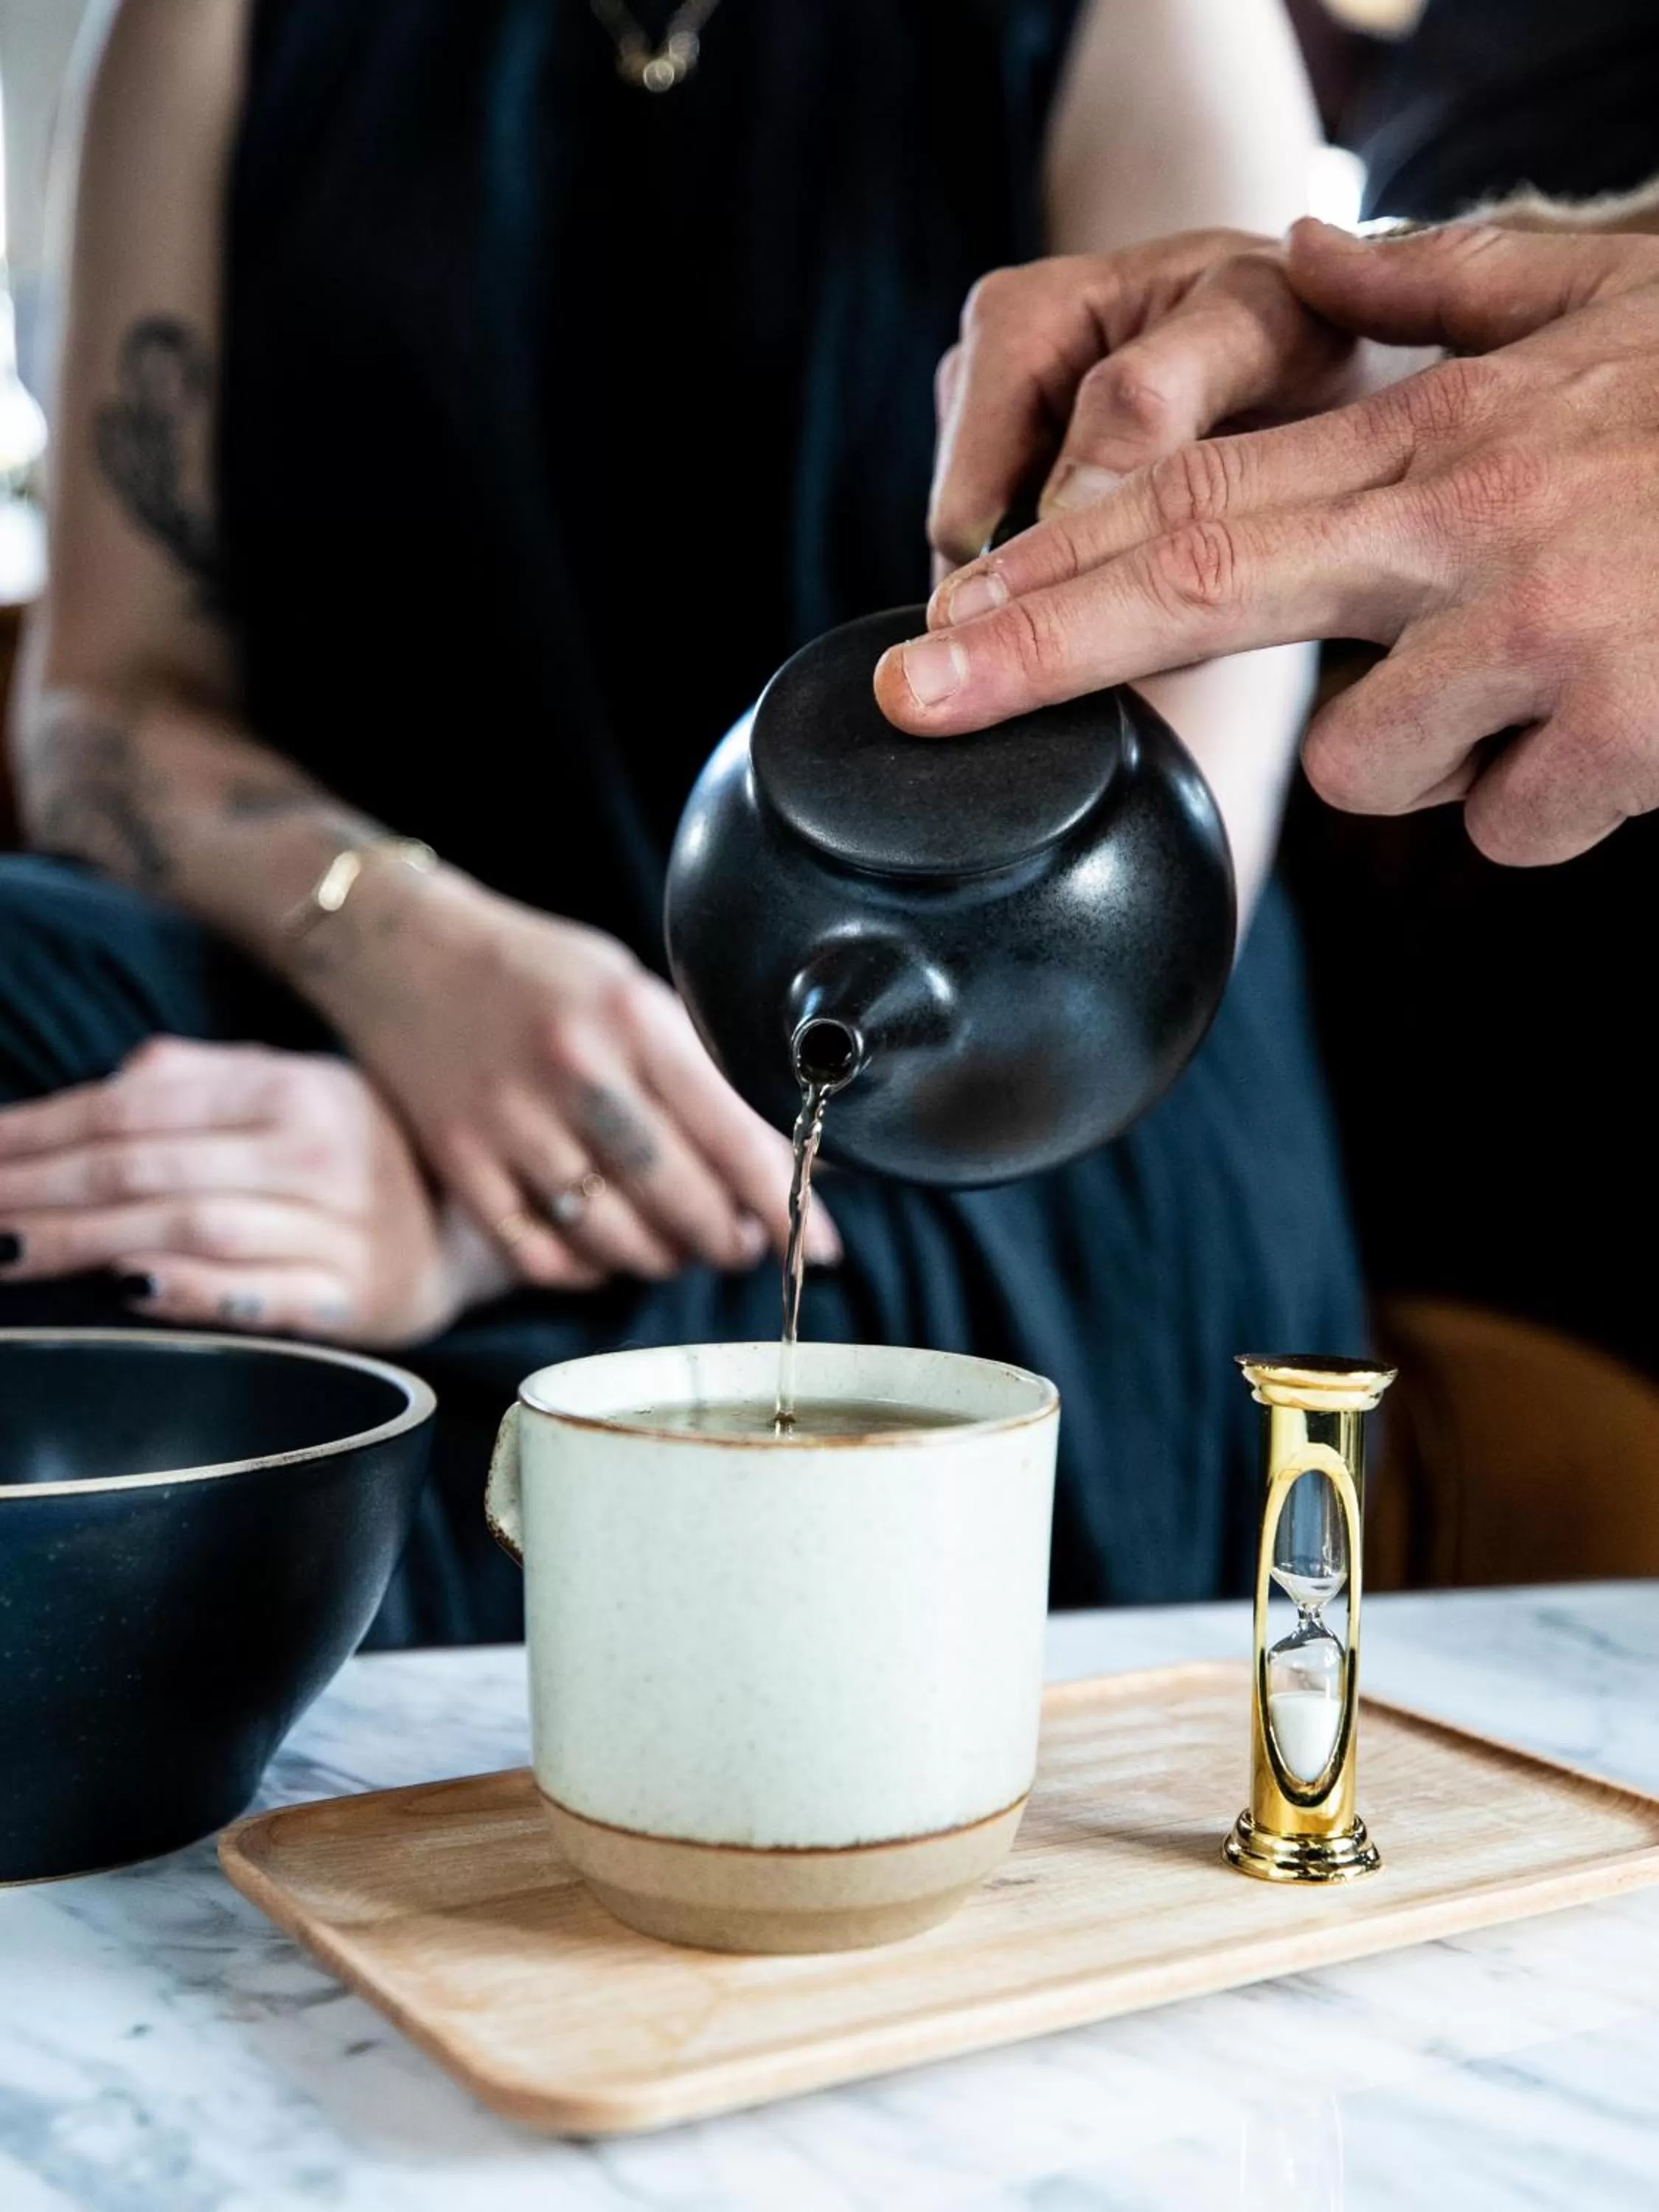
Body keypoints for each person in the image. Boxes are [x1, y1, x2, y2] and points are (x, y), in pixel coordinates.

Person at [0, 0, 1363, 1638]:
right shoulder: (211, 24)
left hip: (940, 1137)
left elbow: (1131, 905)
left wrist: (495, 1198)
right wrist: (399, 944)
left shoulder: (1144, 26)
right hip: (382, 1012)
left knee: (315, 1490)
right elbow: (103, 704)